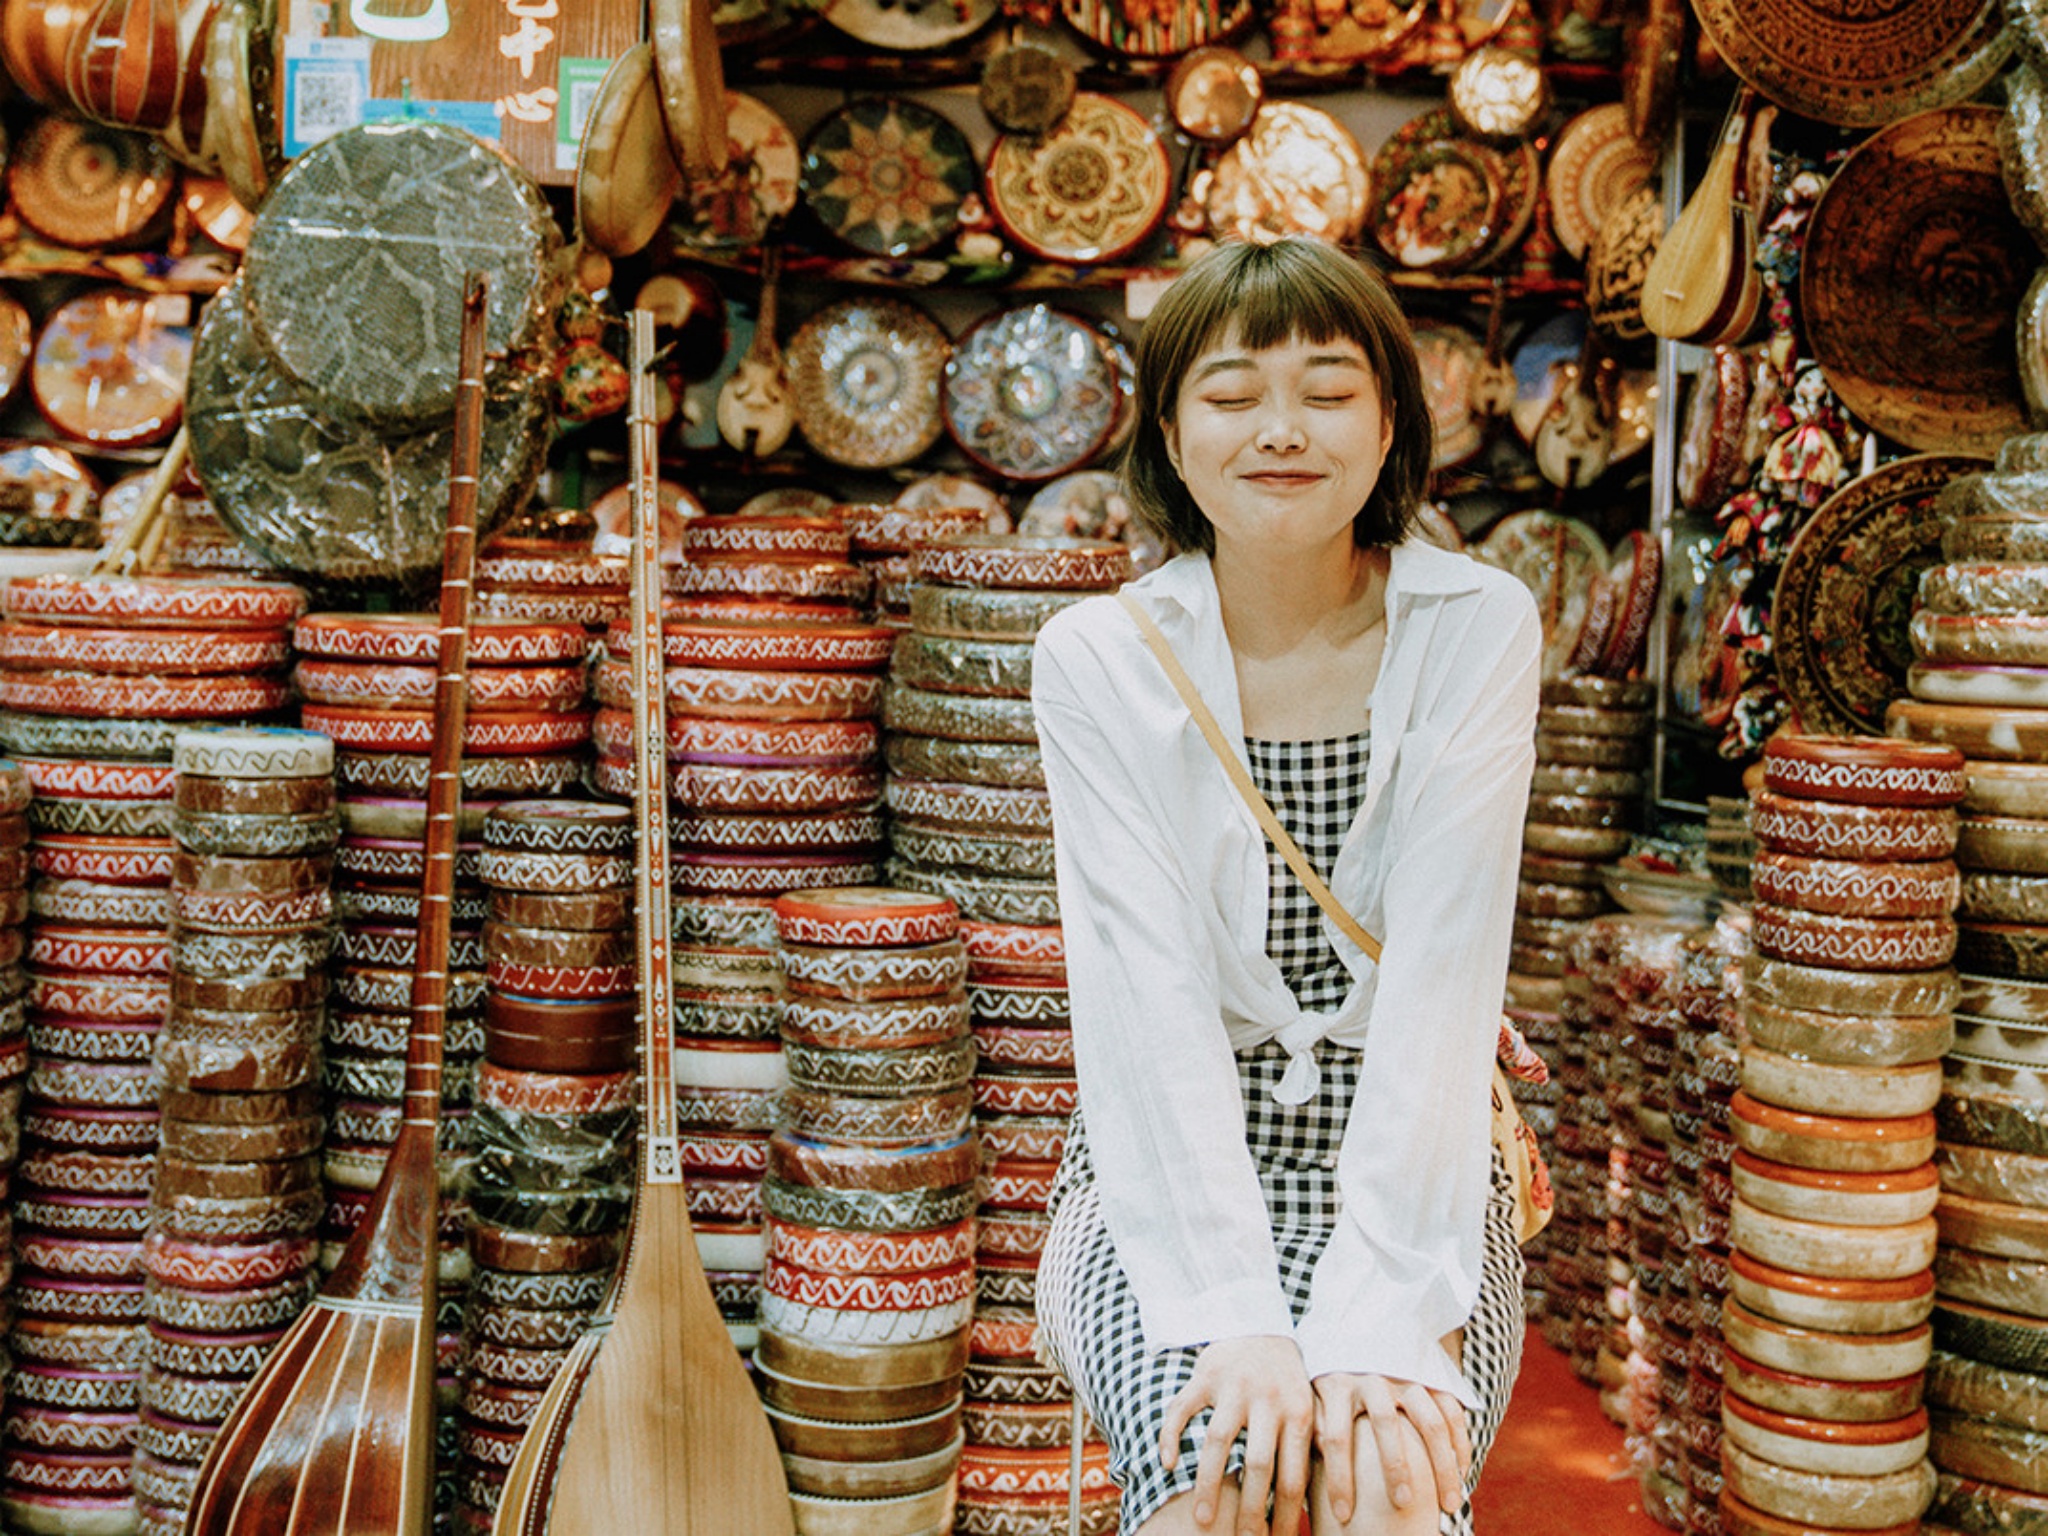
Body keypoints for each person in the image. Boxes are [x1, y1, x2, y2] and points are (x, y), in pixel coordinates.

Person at [1032, 237, 1540, 1536]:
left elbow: (1443, 977)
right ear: (1169, 432)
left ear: (1390, 425)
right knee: (1217, 1487)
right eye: (1232, 393)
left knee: (1385, 1491)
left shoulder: (1477, 624)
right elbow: (1143, 994)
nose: (1280, 430)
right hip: (1170, 1166)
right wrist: (1232, 1313)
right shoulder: (1097, 657)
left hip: (1415, 1156)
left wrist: (1382, 1312)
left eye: (1326, 391)